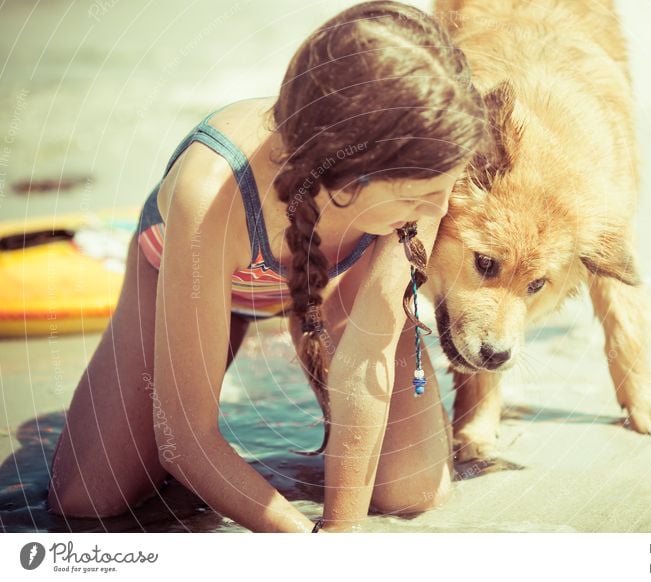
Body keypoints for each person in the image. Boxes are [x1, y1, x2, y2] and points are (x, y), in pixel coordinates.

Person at [46, 0, 486, 532]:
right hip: (193, 270)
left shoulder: (425, 169)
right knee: (87, 499)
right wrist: (301, 539)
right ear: (348, 177)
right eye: (421, 196)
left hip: (331, 283)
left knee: (413, 490)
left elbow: (366, 355)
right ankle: (212, 348)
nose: (439, 210)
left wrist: (341, 533)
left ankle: (296, 335)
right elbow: (184, 441)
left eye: (446, 188)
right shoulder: (209, 194)